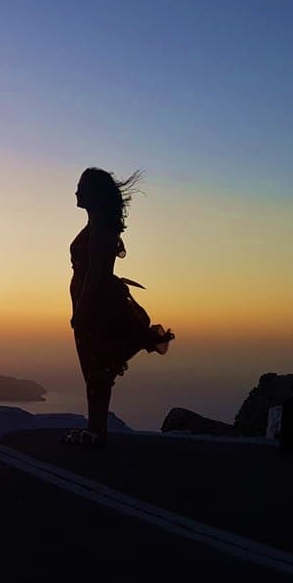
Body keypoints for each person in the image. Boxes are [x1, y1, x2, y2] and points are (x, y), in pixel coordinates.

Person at [64, 167, 174, 446]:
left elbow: (97, 272)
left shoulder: (101, 228)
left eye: (82, 186)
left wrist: (83, 310)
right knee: (96, 367)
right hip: (91, 300)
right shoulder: (97, 225)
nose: (76, 191)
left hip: (96, 303)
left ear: (95, 193)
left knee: (96, 367)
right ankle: (95, 428)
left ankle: (96, 431)